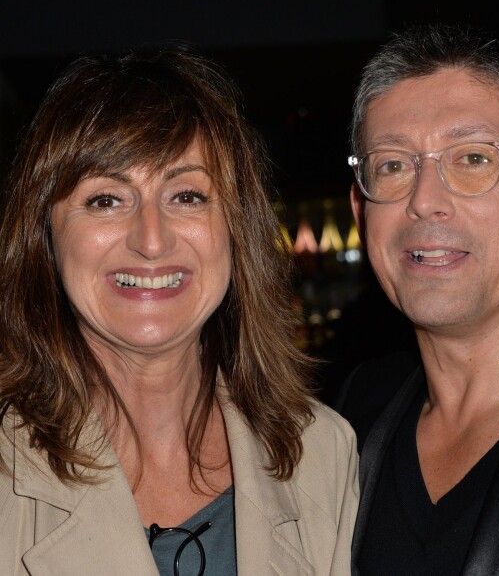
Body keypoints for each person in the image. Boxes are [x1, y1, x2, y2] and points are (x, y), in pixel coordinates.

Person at [0, 46, 359, 576]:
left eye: (187, 195)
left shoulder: (324, 453)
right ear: (45, 239)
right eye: (106, 199)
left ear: (237, 229)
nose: (151, 240)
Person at [336, 22, 499, 575]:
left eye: (473, 158)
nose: (425, 201)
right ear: (360, 212)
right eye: (392, 166)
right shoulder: (350, 420)